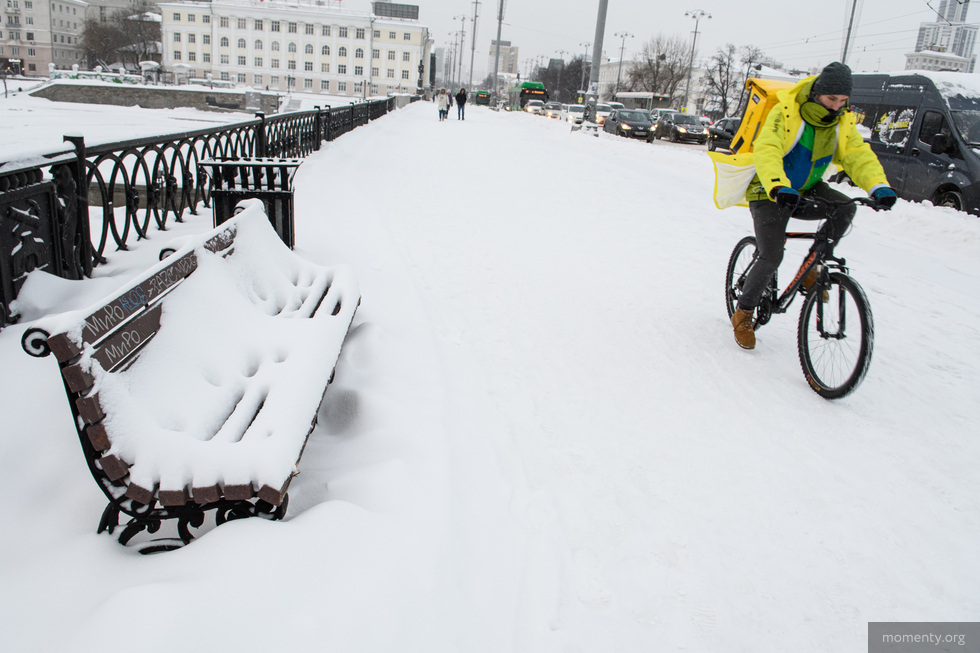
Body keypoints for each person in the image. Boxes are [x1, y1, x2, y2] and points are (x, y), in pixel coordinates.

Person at [729, 61, 898, 350]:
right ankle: (743, 313)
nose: (836, 107)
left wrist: (878, 185)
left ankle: (813, 267)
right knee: (772, 255)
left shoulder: (841, 122)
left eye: (843, 101)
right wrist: (778, 185)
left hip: (806, 189)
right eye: (832, 99)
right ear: (817, 93)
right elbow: (767, 149)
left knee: (845, 208)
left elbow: (857, 154)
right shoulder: (786, 111)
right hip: (770, 191)